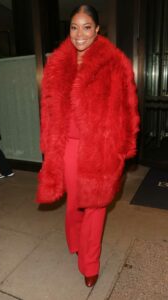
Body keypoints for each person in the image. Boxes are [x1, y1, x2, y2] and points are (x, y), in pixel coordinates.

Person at [35, 4, 140, 287]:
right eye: (73, 27)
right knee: (75, 205)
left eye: (86, 27)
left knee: (95, 206)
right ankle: (75, 239)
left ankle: (90, 263)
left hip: (101, 147)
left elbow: (129, 108)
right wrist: (48, 143)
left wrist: (124, 148)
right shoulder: (57, 63)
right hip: (68, 146)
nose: (79, 34)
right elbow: (48, 109)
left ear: (97, 30)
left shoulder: (115, 63)